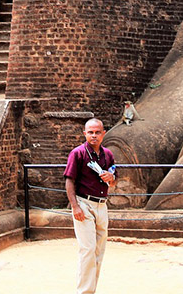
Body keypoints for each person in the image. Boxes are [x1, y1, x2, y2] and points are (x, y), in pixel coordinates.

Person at [64, 118, 117, 294]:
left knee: (99, 250)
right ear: (85, 134)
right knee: (87, 249)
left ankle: (91, 289)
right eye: (90, 132)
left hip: (102, 204)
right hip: (84, 203)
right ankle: (84, 291)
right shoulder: (78, 153)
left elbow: (114, 180)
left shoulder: (108, 155)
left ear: (103, 133)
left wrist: (111, 178)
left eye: (97, 132)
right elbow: (69, 180)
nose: (94, 136)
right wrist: (75, 207)